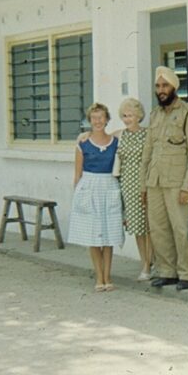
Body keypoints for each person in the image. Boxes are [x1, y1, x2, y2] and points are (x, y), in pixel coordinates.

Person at [141, 66, 188, 290]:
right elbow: (147, 152)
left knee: (180, 228)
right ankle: (167, 271)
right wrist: (143, 186)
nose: (161, 90)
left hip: (176, 182)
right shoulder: (154, 114)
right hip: (154, 180)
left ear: (174, 87)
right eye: (158, 86)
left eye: (165, 85)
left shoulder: (187, 113)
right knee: (158, 227)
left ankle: (185, 273)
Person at [67, 102, 124, 291]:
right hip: (90, 188)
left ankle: (108, 276)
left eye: (101, 117)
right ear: (89, 121)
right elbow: (78, 175)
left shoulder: (115, 141)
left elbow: (131, 127)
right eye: (94, 118)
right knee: (93, 237)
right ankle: (99, 277)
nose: (98, 121)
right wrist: (78, 197)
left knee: (108, 237)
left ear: (107, 119)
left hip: (109, 186)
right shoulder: (83, 143)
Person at [114, 97, 153, 280]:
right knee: (137, 227)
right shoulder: (120, 134)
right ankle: (144, 263)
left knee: (150, 226)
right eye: (124, 116)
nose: (127, 119)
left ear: (139, 115)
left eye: (130, 115)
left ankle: (150, 263)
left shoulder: (148, 134)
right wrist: (84, 135)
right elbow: (100, 137)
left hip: (145, 182)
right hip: (127, 184)